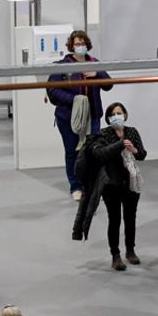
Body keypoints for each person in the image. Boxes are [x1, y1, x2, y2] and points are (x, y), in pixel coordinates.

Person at [46, 30, 113, 200]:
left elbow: (109, 84)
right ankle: (76, 187)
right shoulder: (62, 66)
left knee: (93, 153)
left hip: (93, 117)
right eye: (77, 44)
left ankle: (91, 185)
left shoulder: (94, 63)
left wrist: (98, 74)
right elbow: (52, 92)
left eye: (83, 44)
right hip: (68, 118)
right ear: (71, 46)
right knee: (72, 152)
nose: (80, 47)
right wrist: (75, 99)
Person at [91, 102, 146, 271]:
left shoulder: (132, 132)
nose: (117, 116)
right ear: (108, 118)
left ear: (125, 115)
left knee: (130, 218)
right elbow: (99, 154)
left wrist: (134, 149)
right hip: (111, 184)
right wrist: (119, 146)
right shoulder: (104, 134)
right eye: (113, 114)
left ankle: (130, 250)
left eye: (119, 113)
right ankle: (115, 255)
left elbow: (142, 155)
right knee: (114, 220)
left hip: (131, 182)